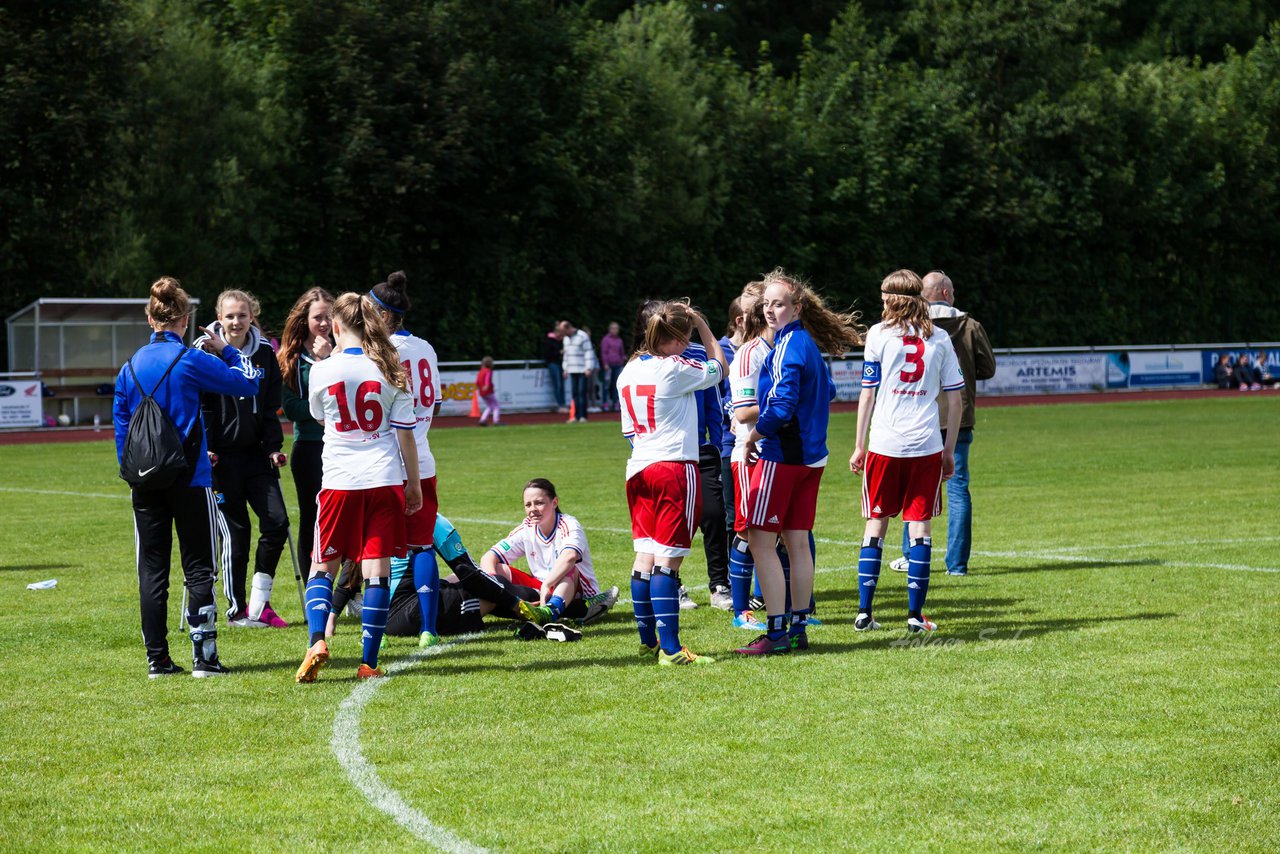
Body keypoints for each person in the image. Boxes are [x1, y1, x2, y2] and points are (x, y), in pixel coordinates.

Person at [114, 276, 259, 678]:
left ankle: (157, 659)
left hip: (144, 480)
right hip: (191, 478)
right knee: (198, 565)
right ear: (185, 319)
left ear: (150, 317)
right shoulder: (190, 360)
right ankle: (204, 657)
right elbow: (248, 382)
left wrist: (133, 475)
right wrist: (227, 349)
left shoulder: (129, 366)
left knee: (152, 570)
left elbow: (122, 428)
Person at [295, 292, 422, 683]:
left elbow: (318, 417)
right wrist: (413, 485)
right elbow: (406, 437)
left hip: (339, 481)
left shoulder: (321, 369)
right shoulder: (389, 366)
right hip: (384, 478)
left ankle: (318, 640)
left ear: (335, 326)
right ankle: (368, 662)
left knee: (323, 565)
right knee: (377, 571)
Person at [735, 270, 863, 655]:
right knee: (796, 543)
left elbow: (782, 405)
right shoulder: (807, 343)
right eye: (767, 304)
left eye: (779, 304)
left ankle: (775, 633)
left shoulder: (789, 346)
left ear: (797, 307)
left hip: (784, 458)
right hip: (811, 458)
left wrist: (755, 436)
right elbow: (828, 390)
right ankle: (797, 627)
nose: (771, 311)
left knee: (760, 541)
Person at [849, 269, 964, 635]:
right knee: (920, 529)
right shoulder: (940, 338)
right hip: (926, 445)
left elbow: (867, 392)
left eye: (883, 298)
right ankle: (915, 615)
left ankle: (864, 613)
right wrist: (948, 449)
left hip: (884, 444)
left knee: (876, 525)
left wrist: (859, 444)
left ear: (891, 299)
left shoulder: (878, 335)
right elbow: (955, 399)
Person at [617, 300, 727, 665]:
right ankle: (672, 649)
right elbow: (719, 367)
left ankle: (648, 641)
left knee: (644, 557)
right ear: (678, 336)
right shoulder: (675, 367)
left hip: (638, 468)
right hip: (673, 467)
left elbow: (629, 430)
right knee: (668, 561)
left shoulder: (627, 372)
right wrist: (704, 326)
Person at [888, 271, 995, 577]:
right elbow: (987, 367)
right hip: (958, 418)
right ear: (948, 294)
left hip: (920, 416)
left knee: (915, 487)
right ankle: (957, 565)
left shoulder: (914, 327)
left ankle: (911, 554)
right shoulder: (970, 326)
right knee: (958, 488)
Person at [194, 289, 291, 629]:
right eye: (230, 316)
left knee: (278, 523)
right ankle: (236, 610)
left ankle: (259, 602)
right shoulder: (203, 350)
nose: (237, 322)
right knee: (237, 532)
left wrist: (273, 446)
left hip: (255, 455)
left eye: (243, 315)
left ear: (253, 316)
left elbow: (268, 406)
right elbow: (198, 404)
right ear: (219, 317)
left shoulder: (265, 351)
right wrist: (204, 445)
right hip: (219, 458)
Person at [370, 271, 444, 650]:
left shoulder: (377, 352)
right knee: (422, 547)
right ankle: (428, 629)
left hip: (384, 463)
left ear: (384, 315)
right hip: (423, 459)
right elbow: (436, 402)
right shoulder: (426, 348)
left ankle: (375, 634)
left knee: (377, 551)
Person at [480, 478, 603, 624]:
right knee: (497, 569)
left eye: (539, 503)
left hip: (577, 593)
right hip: (542, 589)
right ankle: (464, 614)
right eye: (528, 504)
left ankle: (549, 613)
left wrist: (547, 585)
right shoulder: (526, 529)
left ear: (554, 503)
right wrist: (493, 582)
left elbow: (570, 556)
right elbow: (489, 557)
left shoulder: (568, 524)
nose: (533, 509)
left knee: (570, 568)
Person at [278, 287, 334, 599]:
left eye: (329, 316)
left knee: (345, 519)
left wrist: (329, 359)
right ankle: (317, 592)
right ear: (305, 319)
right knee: (312, 519)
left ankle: (349, 591)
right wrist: (325, 414)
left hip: (342, 448)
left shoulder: (345, 350)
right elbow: (291, 408)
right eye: (318, 317)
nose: (324, 323)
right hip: (309, 449)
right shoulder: (291, 358)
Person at [726, 284, 771, 631]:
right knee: (747, 531)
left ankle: (784, 608)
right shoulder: (748, 353)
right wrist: (788, 407)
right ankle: (741, 612)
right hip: (749, 453)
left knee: (780, 531)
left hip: (776, 452)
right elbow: (742, 414)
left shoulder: (780, 347)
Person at [718, 298, 745, 536]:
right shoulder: (718, 351)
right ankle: (731, 574)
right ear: (740, 321)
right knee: (732, 516)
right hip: (728, 443)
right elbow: (714, 397)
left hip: (760, 440)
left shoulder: (765, 348)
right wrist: (733, 411)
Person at [560, 319, 597, 422]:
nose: (563, 334)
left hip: (582, 369)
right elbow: (566, 356)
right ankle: (575, 416)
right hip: (572, 369)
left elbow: (588, 352)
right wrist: (565, 369)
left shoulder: (582, 335)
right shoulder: (566, 339)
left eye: (564, 331)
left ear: (568, 328)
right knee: (574, 393)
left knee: (581, 393)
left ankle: (583, 416)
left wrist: (589, 367)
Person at [599, 321, 628, 413]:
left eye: (617, 329)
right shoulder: (606, 340)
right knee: (606, 386)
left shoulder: (619, 340)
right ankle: (605, 403)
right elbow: (604, 352)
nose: (616, 330)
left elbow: (622, 352)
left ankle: (616, 403)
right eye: (614, 328)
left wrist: (623, 360)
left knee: (617, 385)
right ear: (610, 329)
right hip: (609, 366)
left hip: (618, 365)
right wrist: (605, 364)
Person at [542, 323, 567, 413]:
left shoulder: (562, 341)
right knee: (558, 384)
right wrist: (558, 353)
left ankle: (563, 404)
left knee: (562, 385)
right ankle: (560, 404)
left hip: (561, 364)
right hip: (553, 363)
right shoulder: (549, 341)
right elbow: (547, 354)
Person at [476, 356, 500, 425]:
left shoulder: (480, 371)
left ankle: (482, 420)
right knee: (496, 405)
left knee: (489, 406)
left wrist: (480, 388)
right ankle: (496, 421)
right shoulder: (488, 371)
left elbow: (477, 382)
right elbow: (487, 379)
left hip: (481, 392)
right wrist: (486, 386)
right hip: (488, 391)